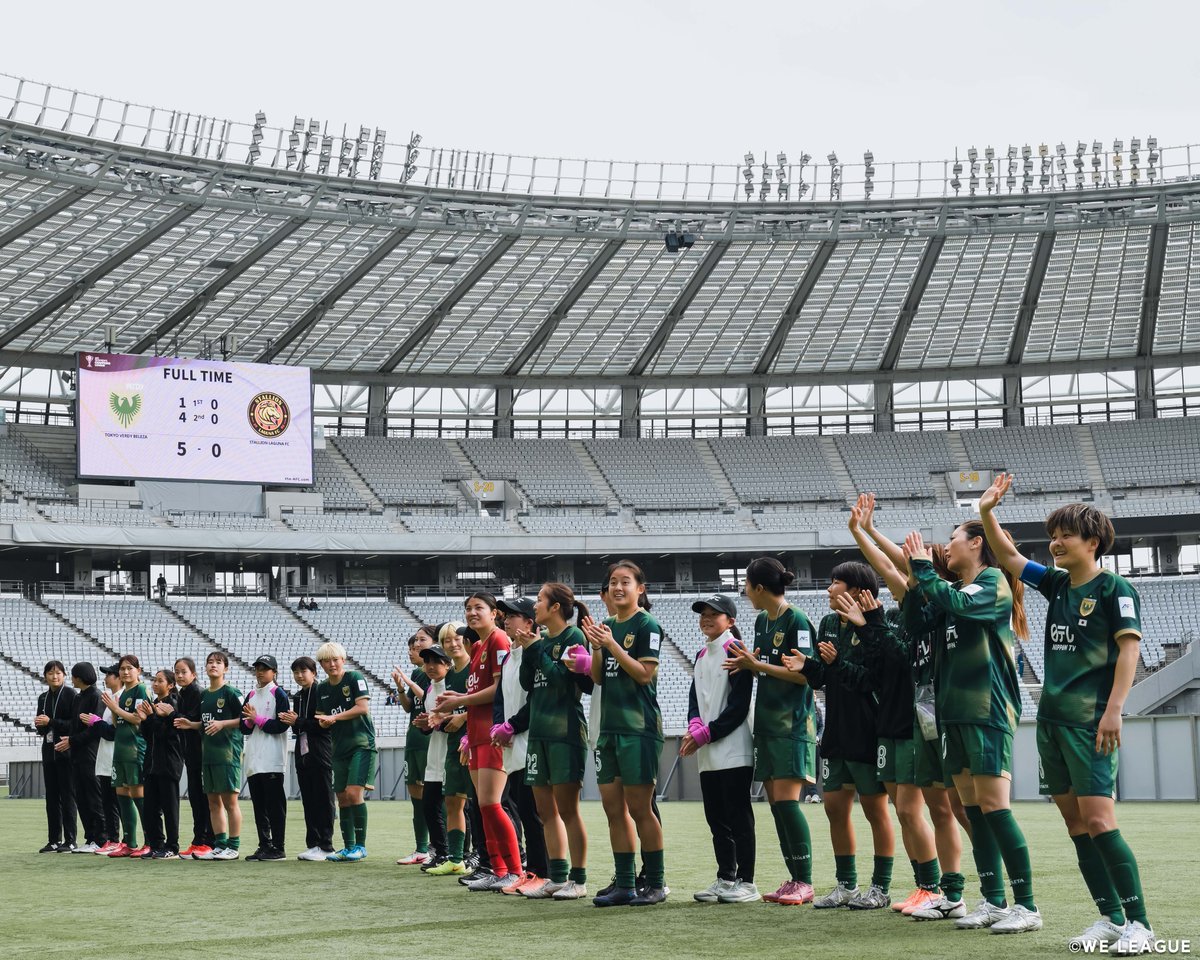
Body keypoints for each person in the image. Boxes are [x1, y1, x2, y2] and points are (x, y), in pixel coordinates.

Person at [979, 475, 1154, 952]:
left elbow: (1128, 651)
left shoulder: (1115, 588)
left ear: (1092, 542)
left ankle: (1140, 922)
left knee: (1099, 821)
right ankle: (1111, 918)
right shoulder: (1056, 584)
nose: (1055, 544)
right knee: (1075, 823)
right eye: (1052, 536)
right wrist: (988, 512)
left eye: (1065, 536)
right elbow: (1011, 558)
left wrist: (1115, 710)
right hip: (1052, 724)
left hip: (1090, 722)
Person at [903, 519, 1038, 934]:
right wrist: (914, 577)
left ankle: (1027, 906)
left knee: (995, 809)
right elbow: (916, 624)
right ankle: (995, 901)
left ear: (977, 543)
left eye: (953, 539)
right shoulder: (955, 590)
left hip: (986, 710)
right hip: (953, 713)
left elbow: (958, 606)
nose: (945, 547)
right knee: (974, 811)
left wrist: (925, 570)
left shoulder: (994, 580)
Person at [846, 494, 967, 921]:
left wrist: (867, 533)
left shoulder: (945, 601)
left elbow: (896, 567)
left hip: (937, 712)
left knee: (944, 808)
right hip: (920, 713)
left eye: (917, 563)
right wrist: (863, 531)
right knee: (931, 808)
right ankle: (937, 890)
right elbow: (888, 565)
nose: (906, 568)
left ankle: (947, 889)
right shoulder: (918, 605)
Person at [790, 562, 897, 911]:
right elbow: (823, 678)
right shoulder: (827, 623)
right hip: (836, 727)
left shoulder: (873, 624)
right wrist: (807, 667)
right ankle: (846, 885)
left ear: (855, 590)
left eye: (835, 582)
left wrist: (836, 665)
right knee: (835, 806)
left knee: (874, 809)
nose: (828, 589)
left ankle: (880, 887)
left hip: (867, 728)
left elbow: (871, 679)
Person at [727, 557, 818, 906]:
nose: (745, 593)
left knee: (787, 803)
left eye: (746, 586)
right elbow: (763, 667)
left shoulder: (795, 619)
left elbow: (804, 674)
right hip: (766, 722)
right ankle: (793, 878)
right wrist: (747, 663)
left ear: (759, 587)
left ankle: (805, 881)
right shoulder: (764, 620)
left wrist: (756, 664)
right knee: (777, 806)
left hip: (791, 724)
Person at [584, 559, 667, 907]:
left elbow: (644, 674)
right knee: (613, 810)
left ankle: (657, 883)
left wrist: (613, 645)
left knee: (640, 809)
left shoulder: (647, 625)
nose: (618, 587)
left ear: (640, 589)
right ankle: (625, 883)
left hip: (639, 729)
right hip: (609, 730)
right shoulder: (605, 626)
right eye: (613, 582)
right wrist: (598, 647)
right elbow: (599, 678)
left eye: (626, 582)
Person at [435, 593, 525, 893]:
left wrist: (461, 700)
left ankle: (514, 870)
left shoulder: (499, 640)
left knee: (492, 804)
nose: (472, 613)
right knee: (484, 807)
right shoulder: (479, 647)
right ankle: (497, 870)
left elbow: (498, 691)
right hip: (475, 735)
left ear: (494, 613)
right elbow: (478, 696)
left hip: (491, 735)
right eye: (468, 609)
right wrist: (465, 730)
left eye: (478, 608)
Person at [683, 595, 757, 904]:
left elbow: (738, 707)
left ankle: (747, 882)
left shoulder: (735, 651)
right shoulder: (702, 654)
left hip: (734, 749)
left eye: (716, 614)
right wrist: (694, 725)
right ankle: (726, 876)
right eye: (704, 614)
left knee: (738, 816)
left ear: (731, 620)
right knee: (716, 818)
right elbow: (694, 699)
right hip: (709, 752)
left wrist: (707, 733)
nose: (707, 618)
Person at [521, 582, 593, 900]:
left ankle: (578, 879)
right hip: (538, 734)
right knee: (545, 810)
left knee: (568, 810)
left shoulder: (573, 637)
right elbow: (528, 683)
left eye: (539, 600)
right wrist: (530, 650)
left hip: (564, 732)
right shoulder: (542, 640)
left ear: (554, 608)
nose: (534, 605)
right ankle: (557, 876)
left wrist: (536, 649)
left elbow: (563, 683)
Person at [490, 595, 549, 895]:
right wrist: (499, 726)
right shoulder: (508, 656)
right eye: (506, 614)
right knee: (523, 808)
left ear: (529, 622)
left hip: (529, 740)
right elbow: (501, 698)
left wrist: (512, 726)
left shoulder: (533, 652)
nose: (507, 619)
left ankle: (543, 872)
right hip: (512, 742)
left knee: (533, 811)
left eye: (514, 615)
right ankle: (532, 871)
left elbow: (535, 699)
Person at [315, 641, 377, 862]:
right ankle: (348, 847)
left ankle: (360, 846)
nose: (331, 664)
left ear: (343, 660)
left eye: (335, 660)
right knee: (342, 798)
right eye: (326, 661)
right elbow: (323, 718)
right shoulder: (321, 689)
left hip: (361, 744)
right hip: (338, 748)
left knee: (353, 794)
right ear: (321, 664)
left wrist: (333, 718)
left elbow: (362, 708)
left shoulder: (354, 679)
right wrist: (324, 723)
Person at [424, 627, 472, 876]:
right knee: (453, 802)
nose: (453, 644)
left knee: (483, 806)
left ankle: (488, 861)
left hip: (477, 743)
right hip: (454, 746)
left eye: (456, 639)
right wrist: (437, 719)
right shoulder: (451, 675)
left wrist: (463, 716)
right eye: (446, 640)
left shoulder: (476, 667)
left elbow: (494, 699)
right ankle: (455, 859)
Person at [189, 651, 244, 860]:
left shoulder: (231, 692)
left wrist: (223, 723)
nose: (214, 665)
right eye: (210, 662)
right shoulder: (204, 695)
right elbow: (205, 725)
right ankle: (220, 845)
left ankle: (234, 846)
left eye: (218, 662)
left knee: (230, 802)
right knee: (213, 802)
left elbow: (246, 720)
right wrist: (192, 725)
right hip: (208, 755)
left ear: (226, 668)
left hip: (227, 754)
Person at [280, 655, 335, 861]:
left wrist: (298, 721)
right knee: (309, 799)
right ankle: (313, 843)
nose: (300, 675)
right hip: (302, 750)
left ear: (314, 673)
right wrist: (295, 722)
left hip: (320, 749)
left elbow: (322, 724)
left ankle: (326, 845)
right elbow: (299, 724)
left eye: (304, 671)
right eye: (296, 672)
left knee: (323, 798)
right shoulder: (299, 695)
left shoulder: (320, 691)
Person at [242, 654, 291, 861]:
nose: (260, 671)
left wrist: (257, 719)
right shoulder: (251, 694)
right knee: (259, 806)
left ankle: (278, 847)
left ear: (274, 672)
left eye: (265, 668)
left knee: (274, 806)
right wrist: (250, 722)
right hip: (254, 759)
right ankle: (264, 845)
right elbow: (242, 727)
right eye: (258, 668)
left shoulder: (278, 693)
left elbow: (282, 725)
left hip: (272, 759)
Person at [101, 654, 150, 857]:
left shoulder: (141, 690)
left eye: (130, 668)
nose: (126, 672)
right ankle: (129, 842)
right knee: (121, 794)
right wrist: (114, 710)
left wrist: (115, 708)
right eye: (122, 669)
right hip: (120, 749)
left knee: (138, 794)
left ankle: (150, 841)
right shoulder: (122, 694)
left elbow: (138, 719)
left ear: (138, 670)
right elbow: (116, 723)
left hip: (134, 749)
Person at [394, 628, 435, 866]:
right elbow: (410, 707)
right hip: (414, 738)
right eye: (413, 643)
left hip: (431, 739)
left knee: (435, 793)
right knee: (415, 792)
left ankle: (438, 846)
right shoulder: (416, 673)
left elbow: (430, 702)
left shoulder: (438, 671)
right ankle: (421, 848)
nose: (415, 646)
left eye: (421, 640)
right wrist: (401, 688)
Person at [137, 668, 184, 858]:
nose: (155, 684)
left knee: (169, 807)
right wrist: (145, 720)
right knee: (150, 807)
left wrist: (151, 717)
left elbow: (168, 734)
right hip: (151, 764)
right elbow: (149, 736)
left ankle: (172, 846)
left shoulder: (172, 704)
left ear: (170, 685)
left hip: (168, 763)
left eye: (160, 681)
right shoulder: (154, 704)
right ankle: (156, 844)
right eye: (154, 681)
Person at [172, 657, 214, 859]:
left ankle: (207, 840)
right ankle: (199, 840)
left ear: (194, 674)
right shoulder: (182, 693)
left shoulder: (196, 692)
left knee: (203, 798)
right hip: (190, 753)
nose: (180, 676)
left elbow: (189, 720)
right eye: (177, 672)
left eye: (183, 672)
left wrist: (172, 713)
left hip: (201, 752)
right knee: (196, 798)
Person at [36, 659, 78, 852]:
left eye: (58, 673)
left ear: (64, 675)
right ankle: (53, 840)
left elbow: (74, 724)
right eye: (51, 673)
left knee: (67, 796)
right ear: (45, 676)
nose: (55, 676)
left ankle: (70, 840)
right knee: (51, 798)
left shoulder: (71, 694)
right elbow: (42, 727)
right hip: (49, 751)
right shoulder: (43, 698)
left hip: (66, 751)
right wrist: (40, 724)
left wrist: (51, 722)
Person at [66, 662, 104, 853]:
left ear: (80, 677)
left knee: (93, 796)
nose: (71, 679)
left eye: (73, 676)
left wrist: (72, 740)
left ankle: (101, 838)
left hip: (90, 753)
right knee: (81, 796)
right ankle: (90, 837)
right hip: (78, 754)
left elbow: (94, 730)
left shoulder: (96, 697)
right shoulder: (79, 697)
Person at [84, 664, 122, 854]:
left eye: (109, 674)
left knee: (116, 801)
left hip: (115, 756)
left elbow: (113, 733)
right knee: (108, 800)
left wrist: (95, 723)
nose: (106, 678)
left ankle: (118, 839)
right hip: (107, 757)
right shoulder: (109, 699)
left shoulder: (119, 698)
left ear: (118, 677)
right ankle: (112, 838)